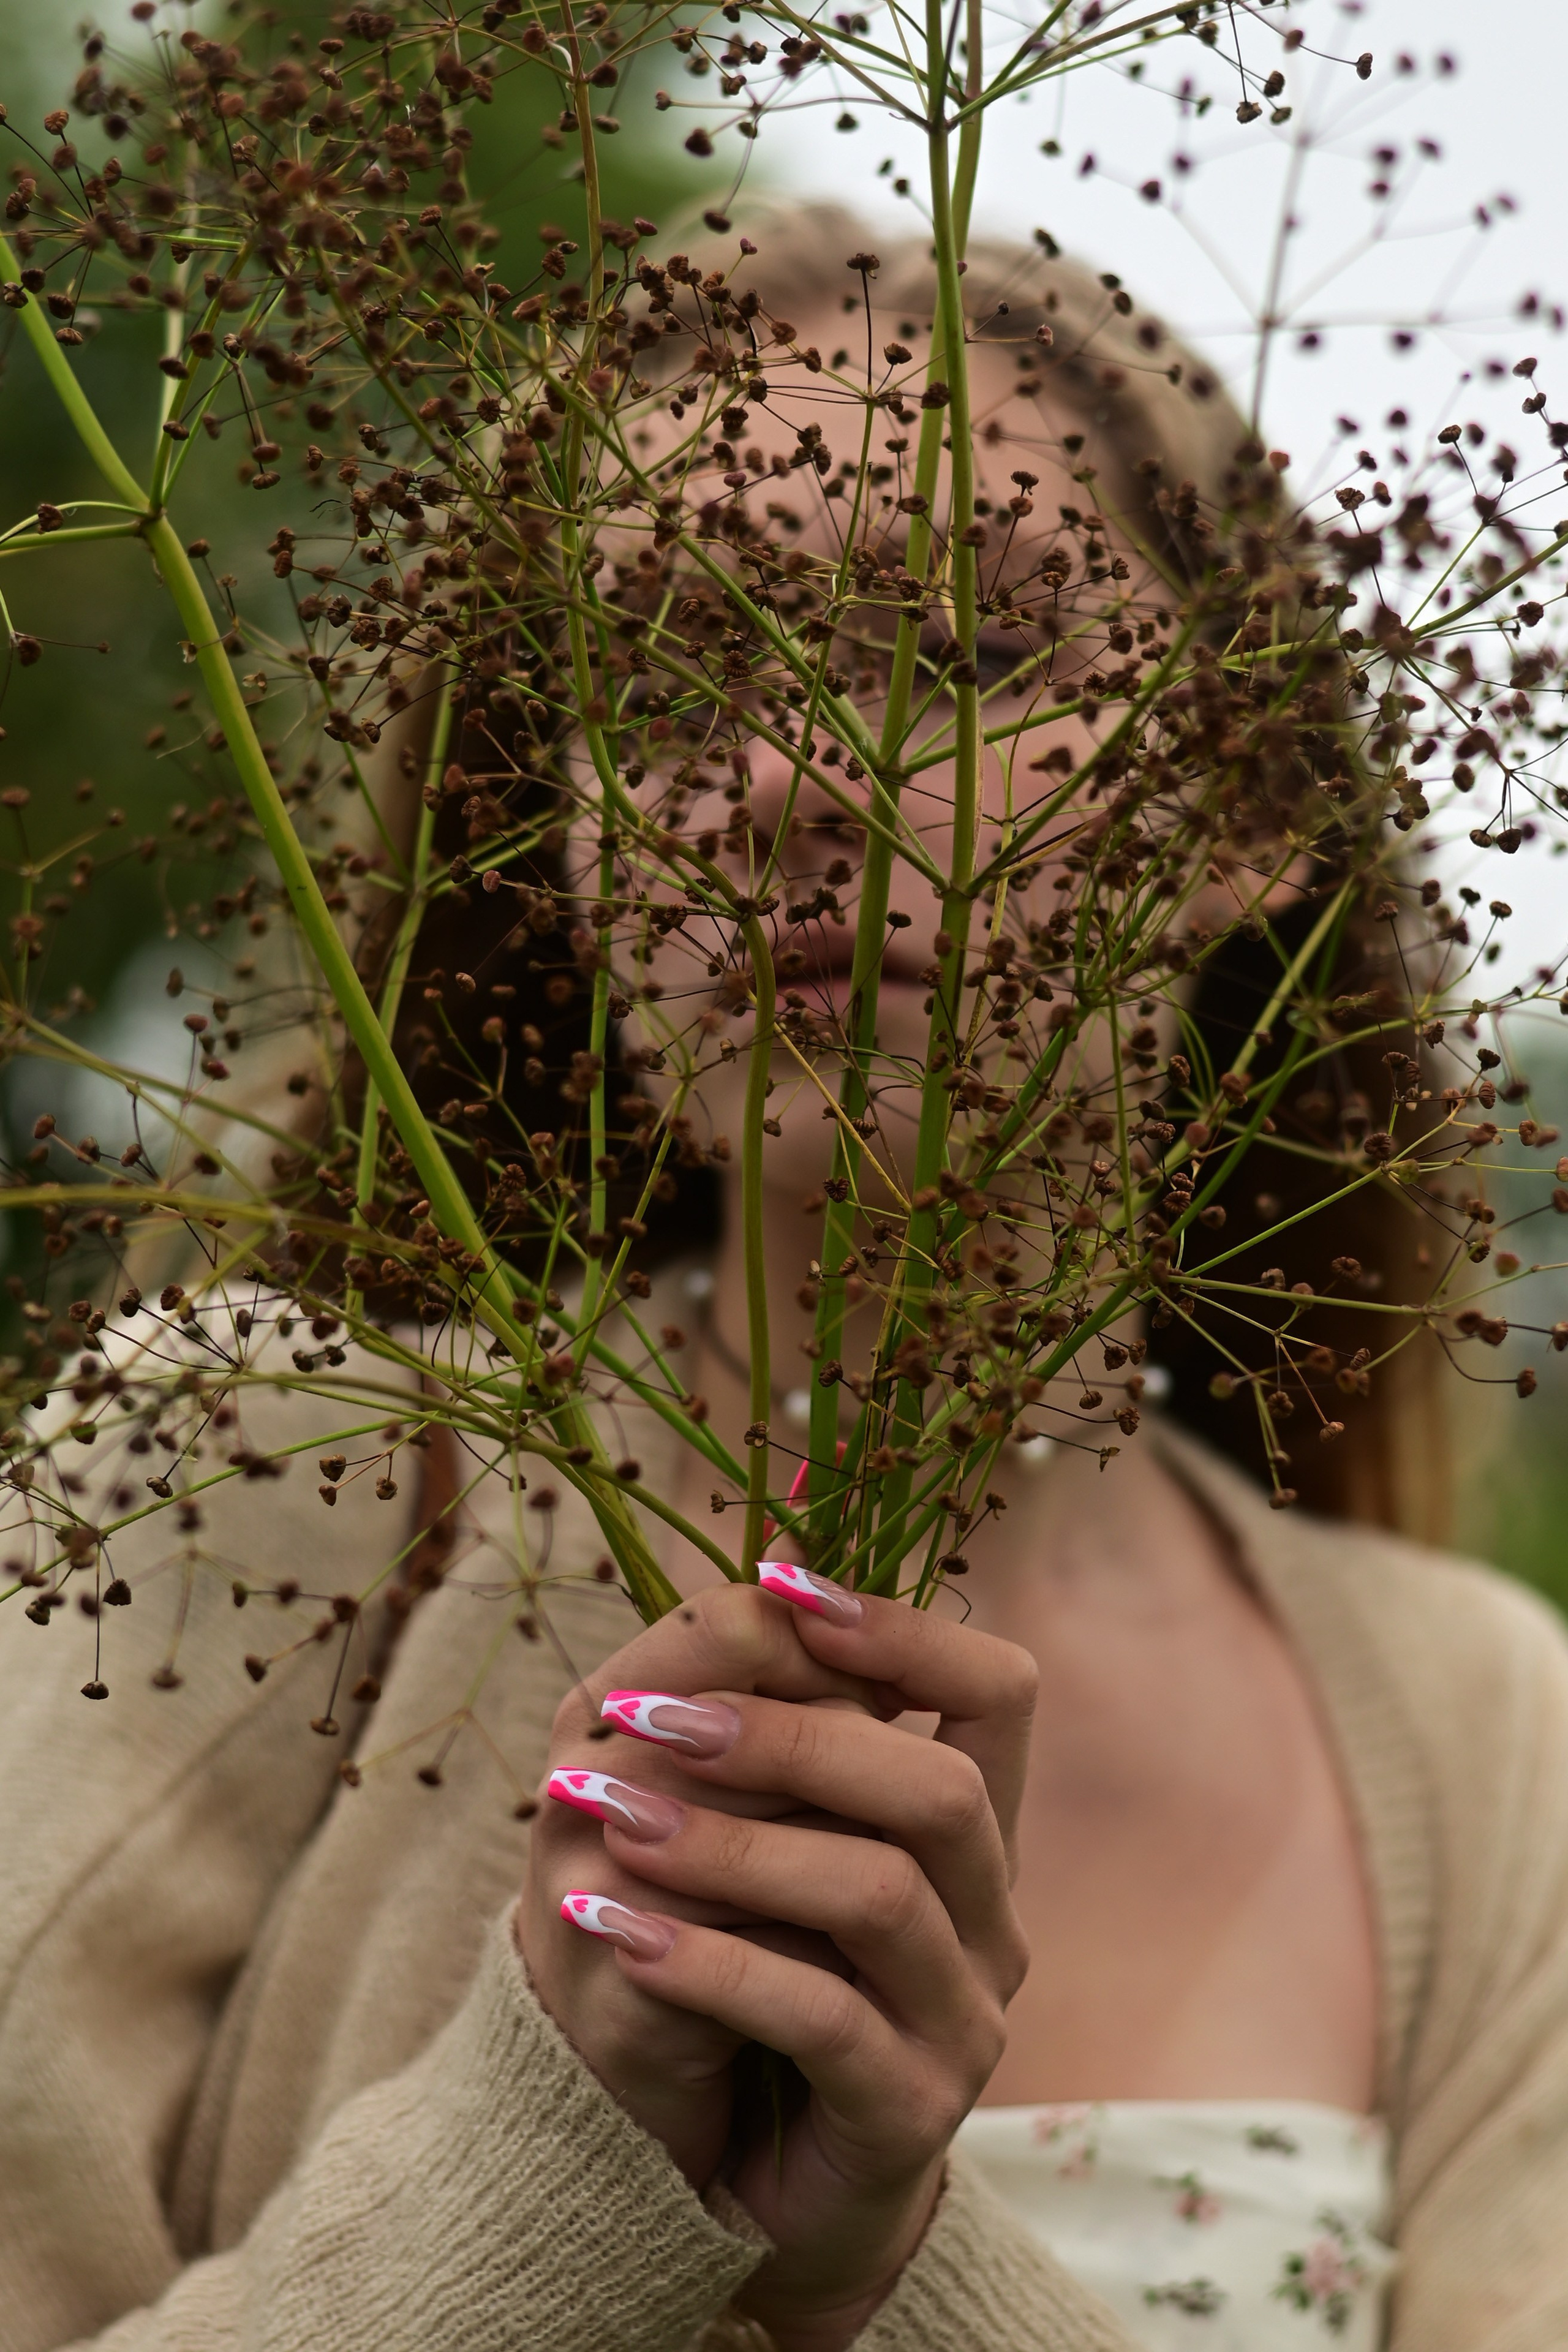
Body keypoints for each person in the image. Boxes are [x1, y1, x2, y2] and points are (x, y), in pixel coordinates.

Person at [3, 221, 1568, 2352]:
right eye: (654, 680)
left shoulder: (1503, 1747)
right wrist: (553, 2163)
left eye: (971, 652)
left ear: (1254, 800)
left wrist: (899, 2273)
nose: (786, 782)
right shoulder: (226, 1494)